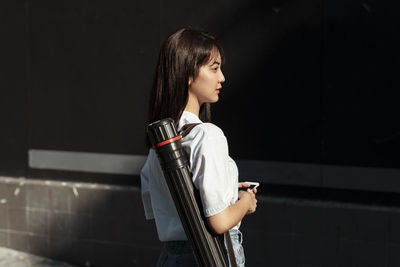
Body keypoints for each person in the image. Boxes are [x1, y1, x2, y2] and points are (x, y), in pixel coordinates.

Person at [140, 27, 258, 267]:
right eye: (214, 68)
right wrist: (245, 202)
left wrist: (224, 187)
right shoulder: (207, 135)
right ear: (188, 74)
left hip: (171, 257)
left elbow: (167, 206)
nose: (222, 77)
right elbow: (219, 221)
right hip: (212, 254)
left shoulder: (161, 143)